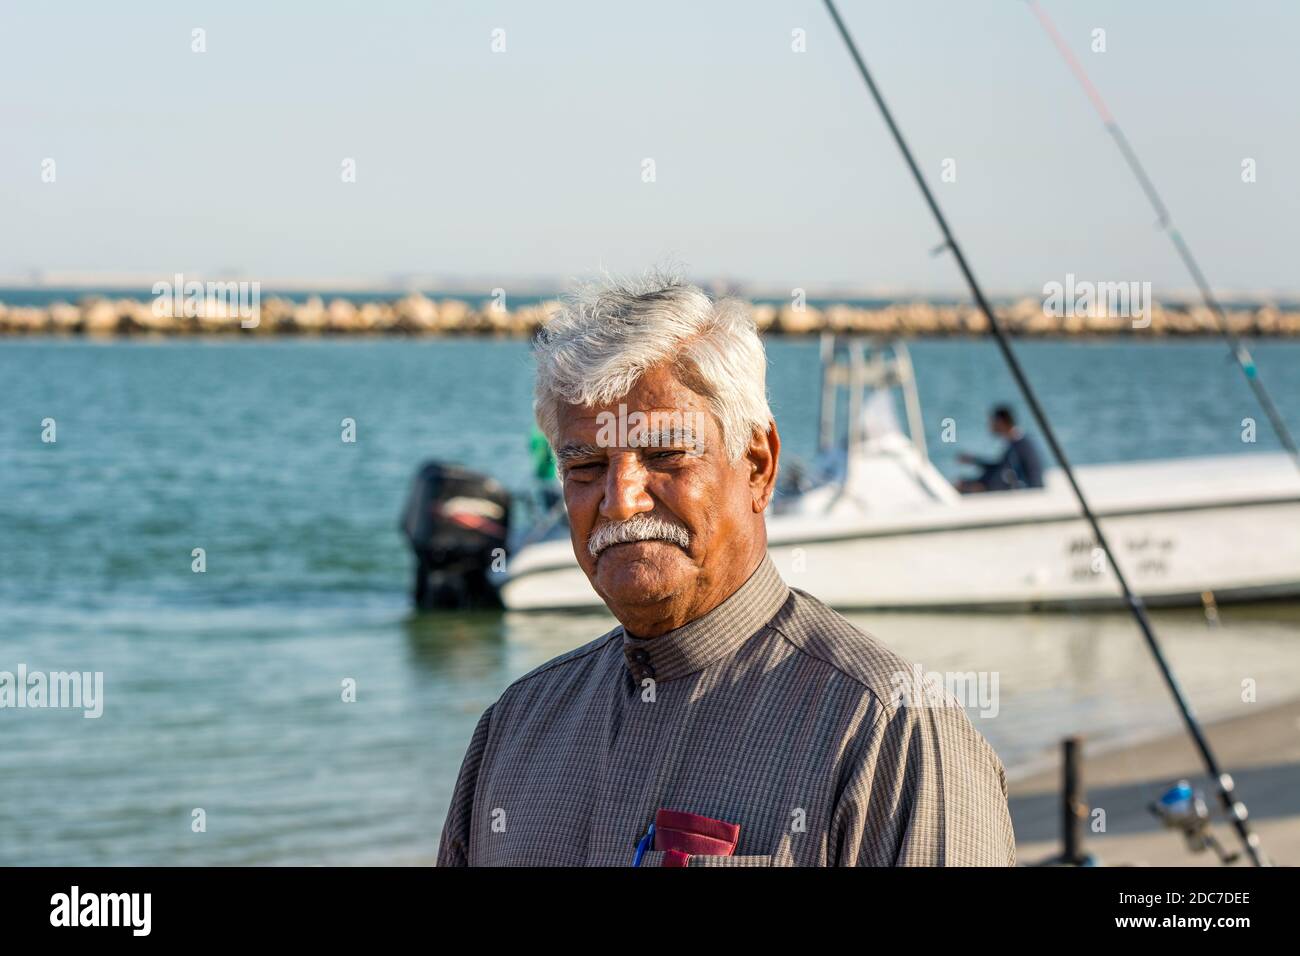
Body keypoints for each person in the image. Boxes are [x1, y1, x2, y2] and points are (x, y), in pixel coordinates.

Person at [437, 270, 1015, 866]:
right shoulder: (515, 732)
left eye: (664, 455)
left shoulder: (889, 734)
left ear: (758, 465)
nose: (621, 499)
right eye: (585, 466)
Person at [956, 405, 1044, 493]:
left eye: (992, 422)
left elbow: (1003, 474)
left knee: (961, 487)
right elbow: (1001, 468)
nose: (990, 426)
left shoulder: (1020, 445)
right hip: (1026, 489)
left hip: (1029, 494)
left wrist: (976, 485)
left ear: (1001, 422)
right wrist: (974, 461)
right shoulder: (1019, 442)